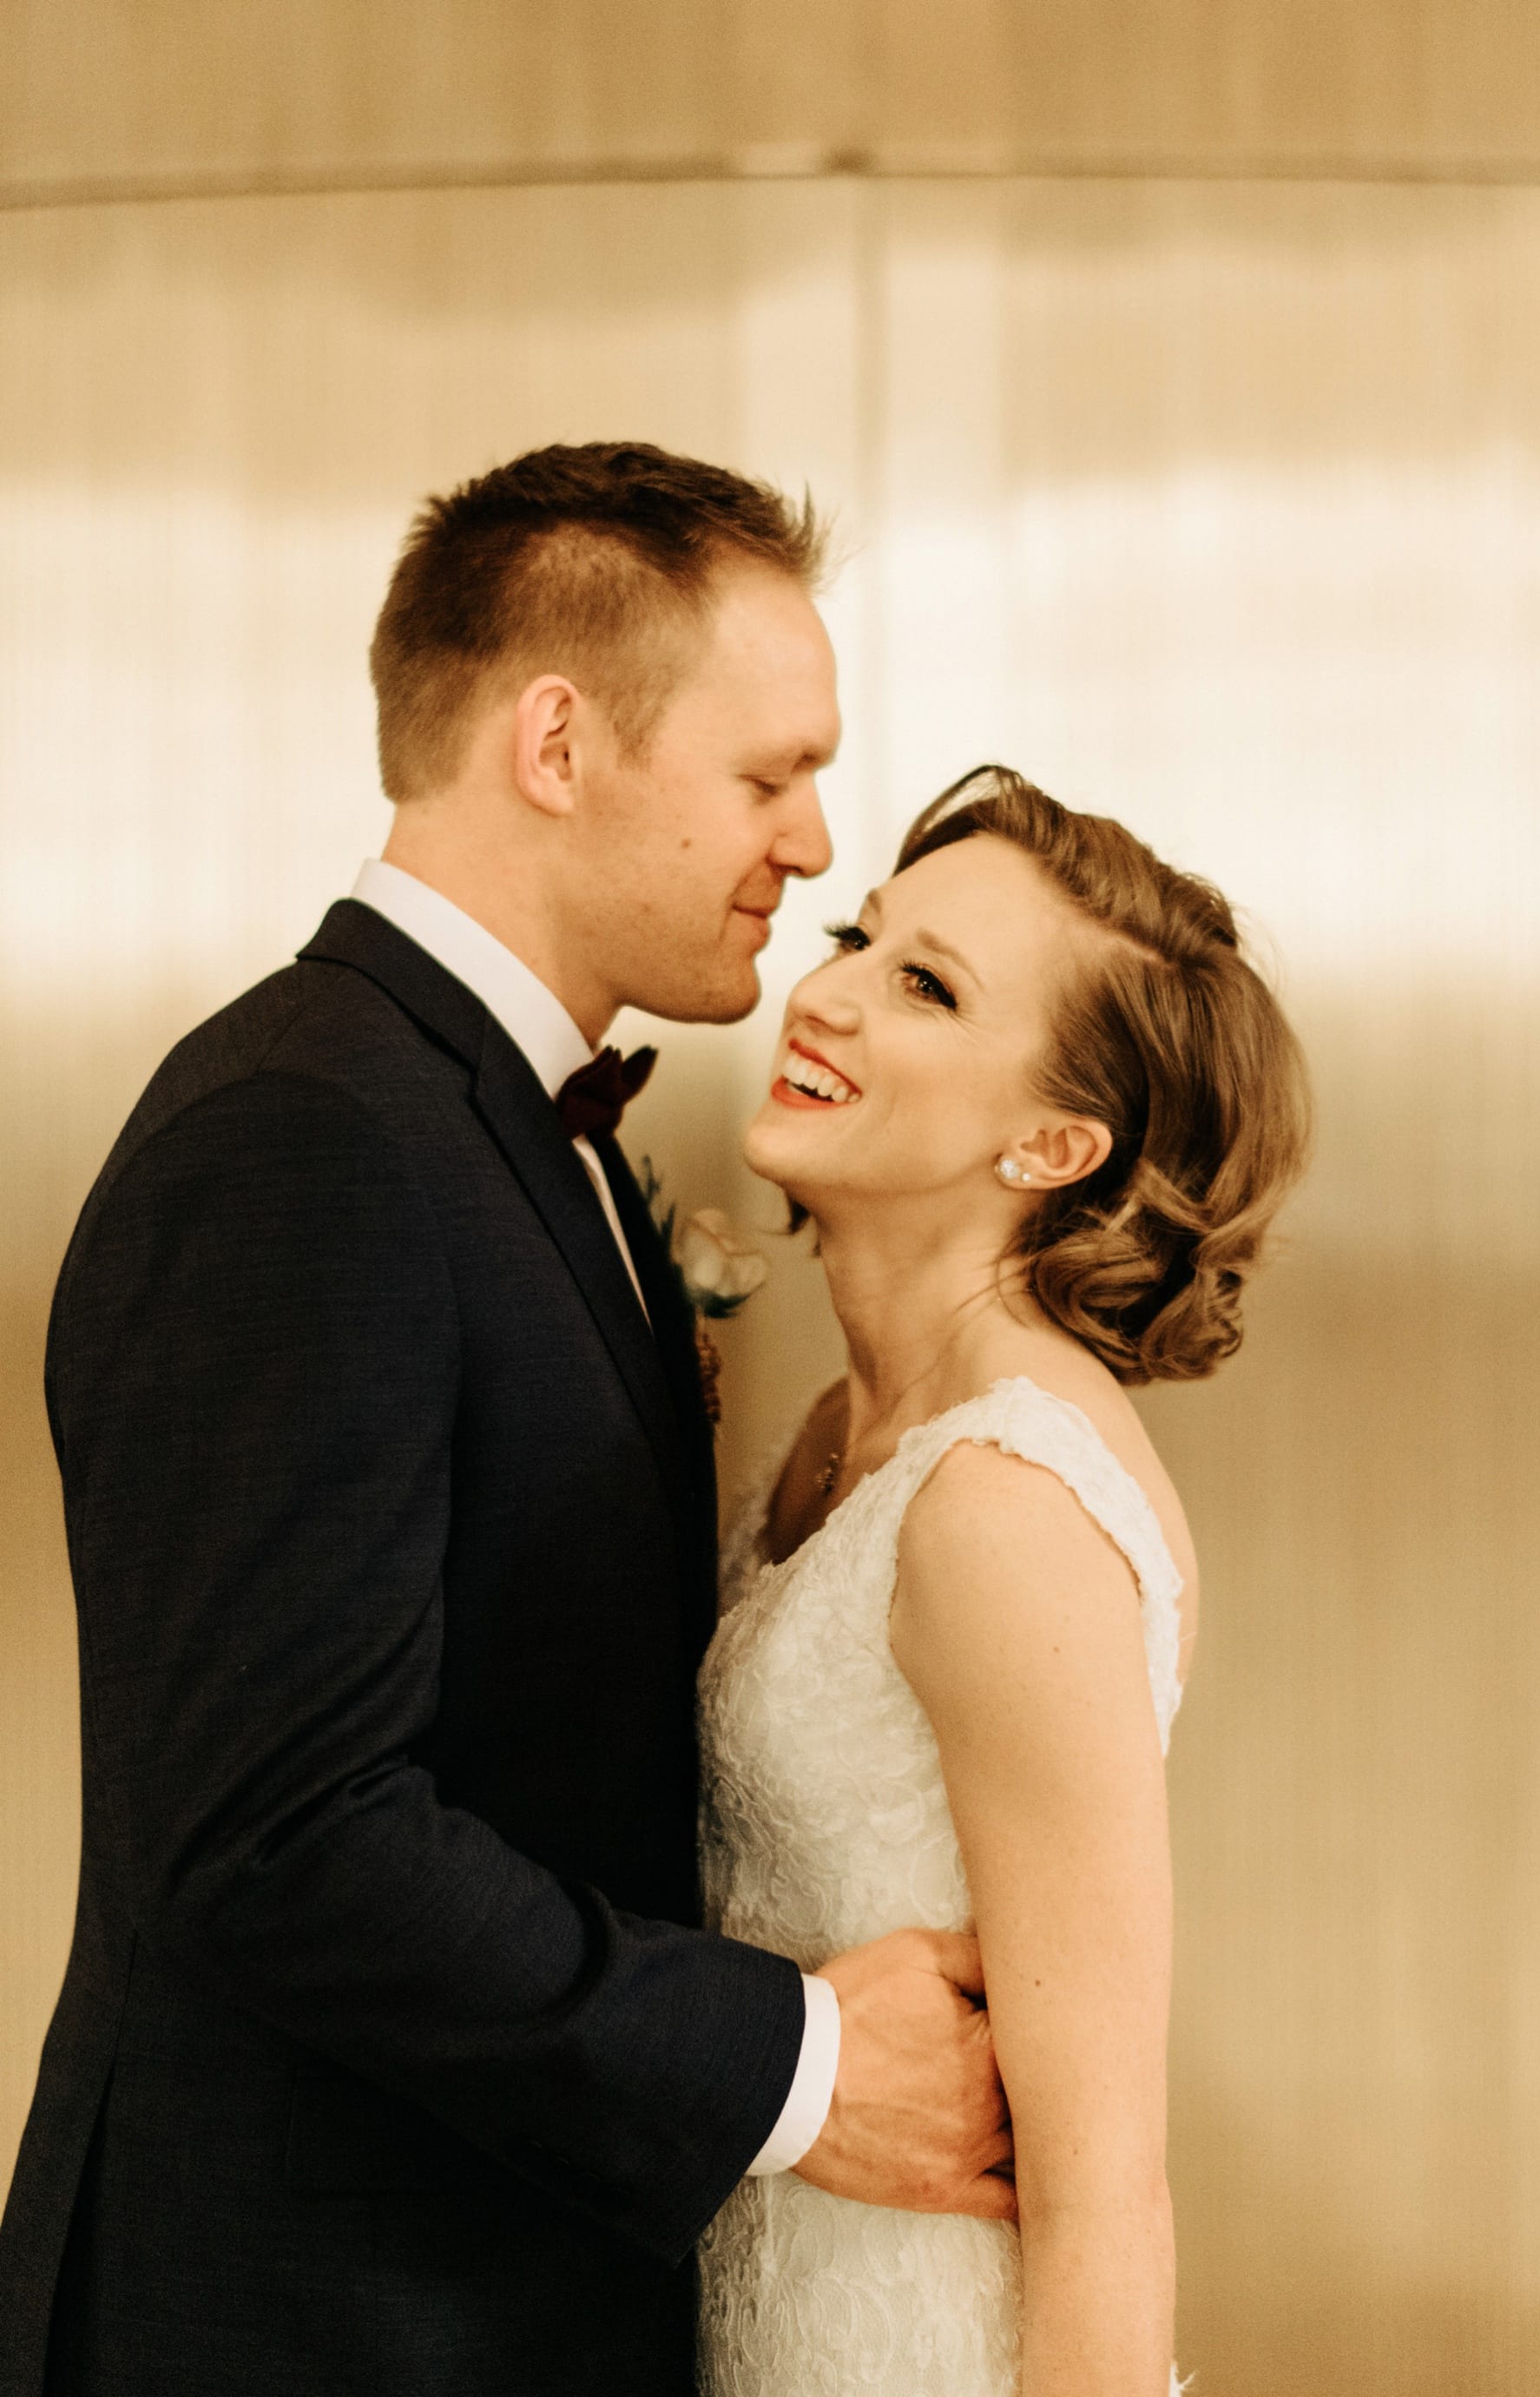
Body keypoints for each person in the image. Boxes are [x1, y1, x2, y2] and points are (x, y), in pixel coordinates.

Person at [0, 446, 1013, 2397]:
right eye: (765, 773)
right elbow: (286, 1833)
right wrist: (794, 2063)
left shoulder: (495, 1127)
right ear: (555, 740)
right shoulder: (304, 1136)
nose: (811, 845)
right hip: (303, 2327)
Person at [698, 765, 1311, 2395]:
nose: (822, 996)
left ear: (1054, 1140)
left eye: (924, 987)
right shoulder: (845, 1427)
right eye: (861, 936)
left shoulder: (1002, 1505)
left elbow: (1108, 2181)